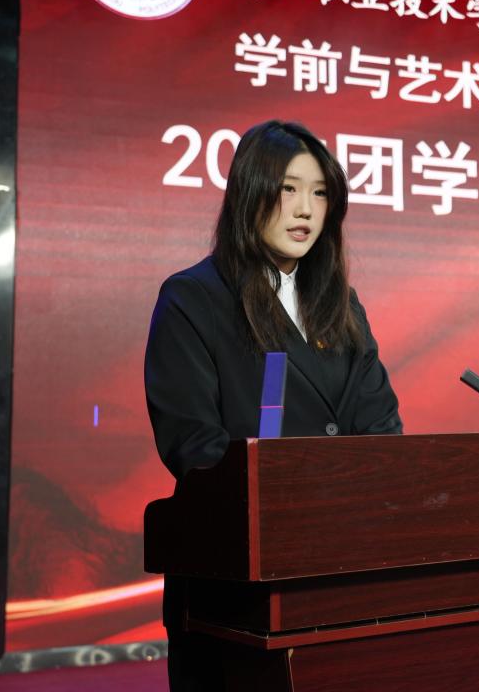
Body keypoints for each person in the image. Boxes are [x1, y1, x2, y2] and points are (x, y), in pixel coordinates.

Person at [145, 120, 402, 690]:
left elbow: (380, 427)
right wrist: (296, 501)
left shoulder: (341, 304)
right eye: (288, 189)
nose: (305, 209)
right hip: (237, 580)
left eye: (320, 193)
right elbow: (193, 445)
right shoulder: (193, 298)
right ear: (250, 191)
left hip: (341, 568)